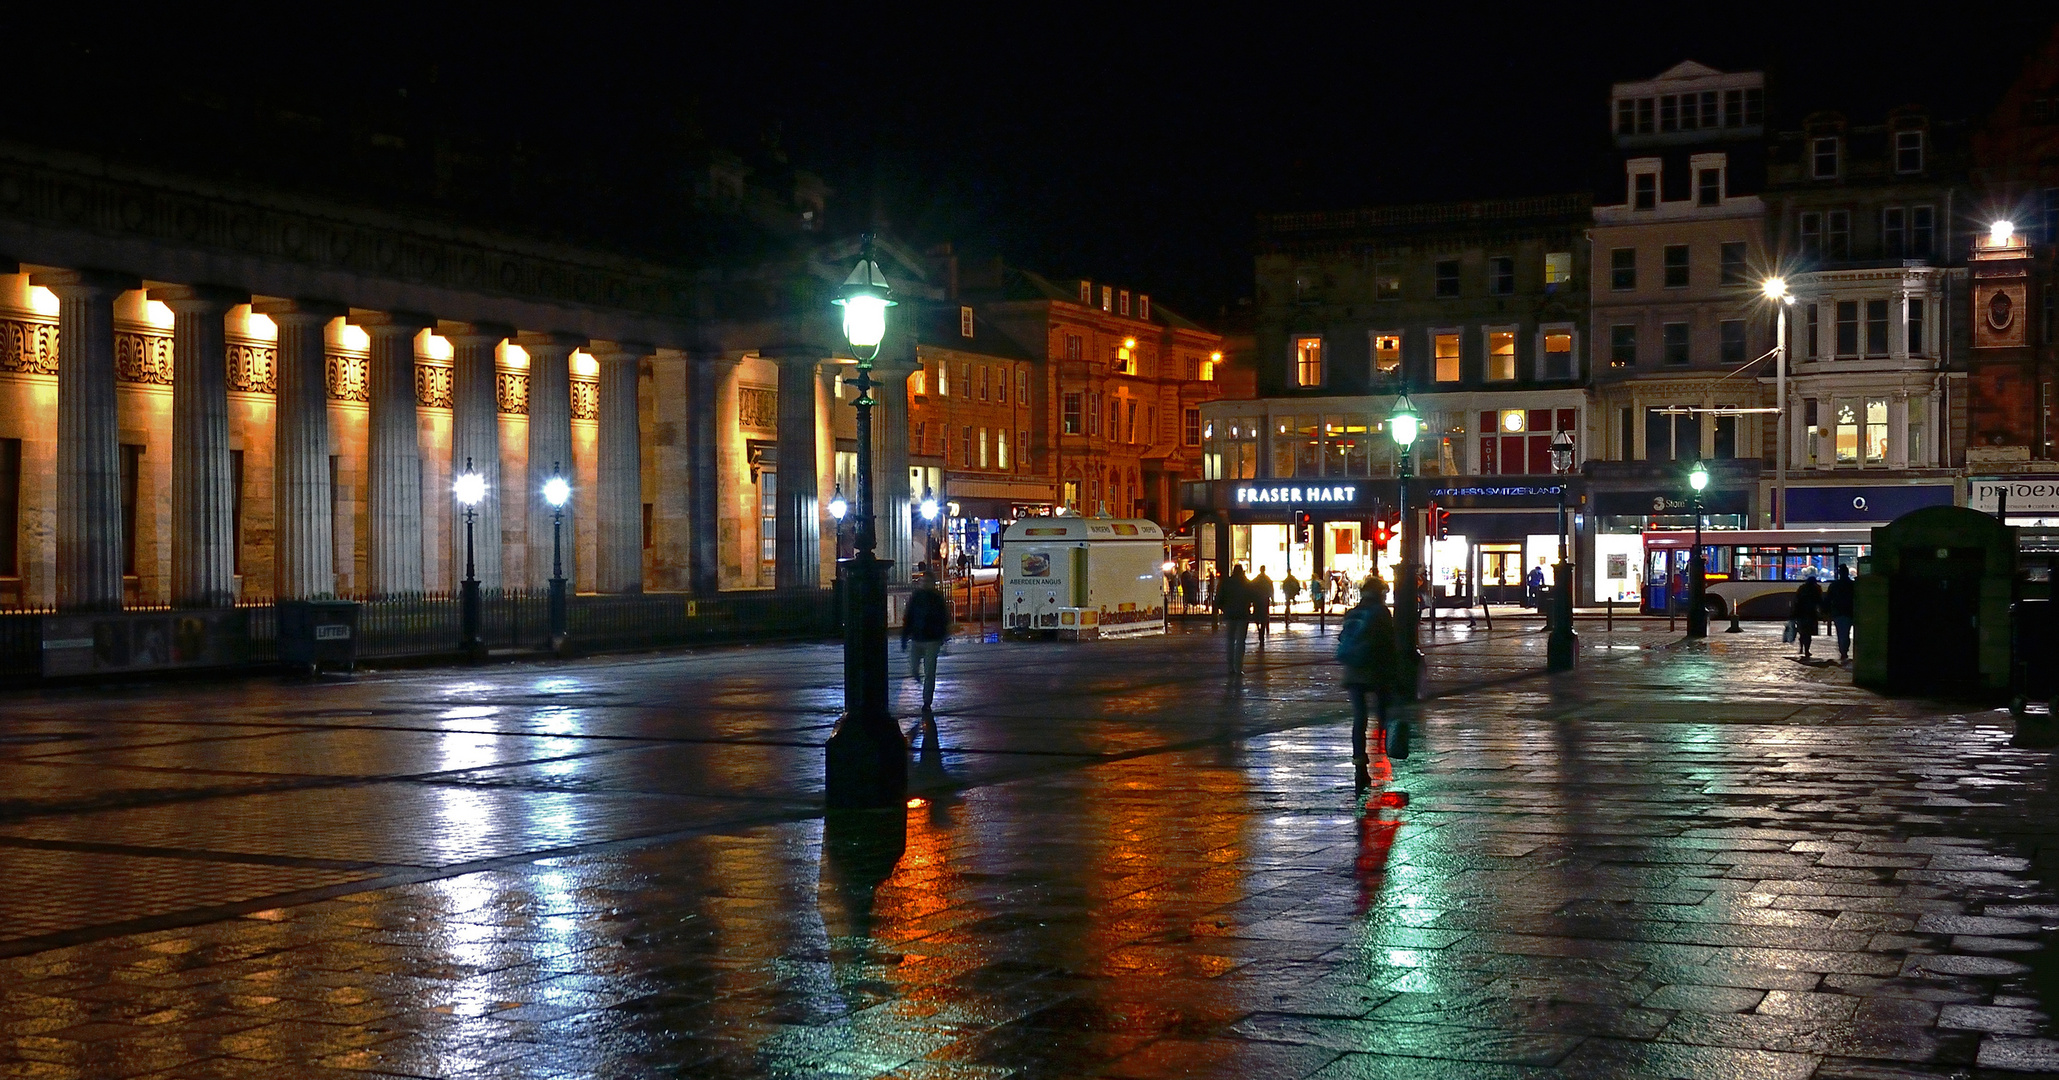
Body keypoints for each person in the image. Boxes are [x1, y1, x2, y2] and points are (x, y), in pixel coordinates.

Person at [1336, 576, 1404, 789]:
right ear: (1380, 594)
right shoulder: (1381, 613)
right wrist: (1396, 675)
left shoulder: (1353, 612)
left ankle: (1359, 764)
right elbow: (1389, 644)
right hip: (1376, 671)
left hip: (1353, 673)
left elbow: (1342, 638)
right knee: (1385, 712)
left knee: (1360, 718)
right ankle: (1387, 749)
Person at [901, 574, 952, 714]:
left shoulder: (937, 598)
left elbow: (943, 618)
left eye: (927, 581)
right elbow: (909, 616)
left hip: (932, 640)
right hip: (917, 638)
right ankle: (918, 678)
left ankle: (927, 701)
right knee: (913, 668)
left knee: (930, 672)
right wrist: (905, 636)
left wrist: (942, 635)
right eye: (922, 581)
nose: (924, 584)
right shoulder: (916, 597)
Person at [1219, 565, 1255, 679]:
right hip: (1242, 615)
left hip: (1230, 615)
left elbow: (1219, 599)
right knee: (1240, 641)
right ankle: (1239, 666)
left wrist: (1224, 609)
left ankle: (1230, 666)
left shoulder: (1226, 583)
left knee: (1230, 640)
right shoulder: (1246, 583)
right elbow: (1252, 597)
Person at [1825, 564, 1855, 663]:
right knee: (1846, 632)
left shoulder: (1834, 585)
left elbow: (1828, 599)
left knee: (1840, 632)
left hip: (1837, 612)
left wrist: (1826, 612)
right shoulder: (1852, 585)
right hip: (1849, 612)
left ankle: (1843, 651)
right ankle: (1844, 650)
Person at [1792, 568, 1824, 660]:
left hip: (1801, 613)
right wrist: (1823, 612)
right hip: (1811, 614)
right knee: (1808, 633)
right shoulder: (1816, 589)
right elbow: (1819, 601)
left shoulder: (1802, 588)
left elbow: (1796, 600)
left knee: (1802, 632)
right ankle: (1807, 649)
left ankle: (1801, 647)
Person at [1252, 567, 1274, 644]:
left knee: (1256, 615)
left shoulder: (1256, 579)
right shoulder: (1267, 579)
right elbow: (1271, 589)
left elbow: (1252, 588)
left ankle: (1259, 629)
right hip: (1265, 599)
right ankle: (1263, 630)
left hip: (1257, 599)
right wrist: (1272, 599)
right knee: (1264, 615)